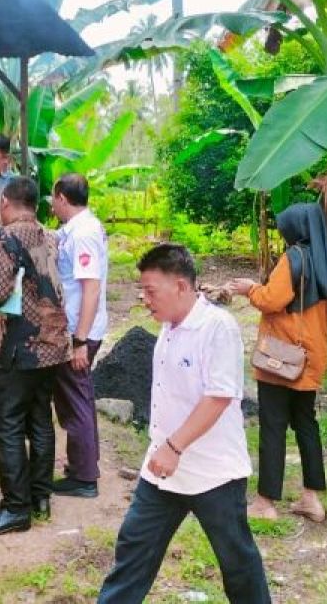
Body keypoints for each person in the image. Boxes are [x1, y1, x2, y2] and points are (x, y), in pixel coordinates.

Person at [98, 244, 270, 604]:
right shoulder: (170, 325)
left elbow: (220, 396)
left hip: (213, 471)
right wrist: (166, 449)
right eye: (141, 290)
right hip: (162, 469)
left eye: (150, 290)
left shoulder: (217, 327)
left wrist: (174, 446)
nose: (144, 299)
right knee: (133, 550)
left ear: (180, 286)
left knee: (237, 561)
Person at [0, 177, 70, 535]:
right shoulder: (49, 235)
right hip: (53, 344)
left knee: (6, 422)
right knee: (39, 419)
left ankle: (15, 508)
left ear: (6, 202)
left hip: (23, 344)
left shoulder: (10, 235)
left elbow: (0, 290)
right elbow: (33, 278)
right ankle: (40, 497)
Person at [229, 202, 327, 523]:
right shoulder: (325, 259)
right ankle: (312, 498)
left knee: (273, 426)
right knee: (306, 424)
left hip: (283, 358)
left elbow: (272, 300)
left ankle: (266, 503)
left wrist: (249, 289)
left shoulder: (293, 258)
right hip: (313, 354)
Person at [48, 174, 108, 498]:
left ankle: (85, 477)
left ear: (61, 197)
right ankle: (84, 465)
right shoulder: (77, 229)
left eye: (52, 199)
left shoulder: (83, 233)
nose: (51, 205)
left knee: (75, 401)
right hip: (78, 328)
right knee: (77, 397)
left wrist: (80, 340)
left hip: (79, 330)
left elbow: (91, 286)